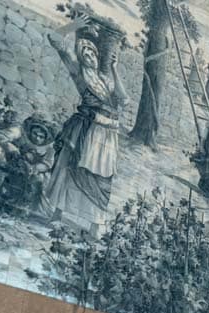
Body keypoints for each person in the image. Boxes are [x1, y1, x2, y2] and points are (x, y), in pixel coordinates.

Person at [40, 14, 126, 230]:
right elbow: (55, 38)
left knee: (99, 179)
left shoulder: (105, 78)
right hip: (84, 129)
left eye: (92, 51)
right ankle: (57, 214)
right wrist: (76, 25)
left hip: (107, 134)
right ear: (80, 55)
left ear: (98, 55)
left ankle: (94, 225)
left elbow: (122, 99)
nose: (88, 54)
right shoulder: (79, 73)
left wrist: (115, 69)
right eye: (84, 51)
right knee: (68, 170)